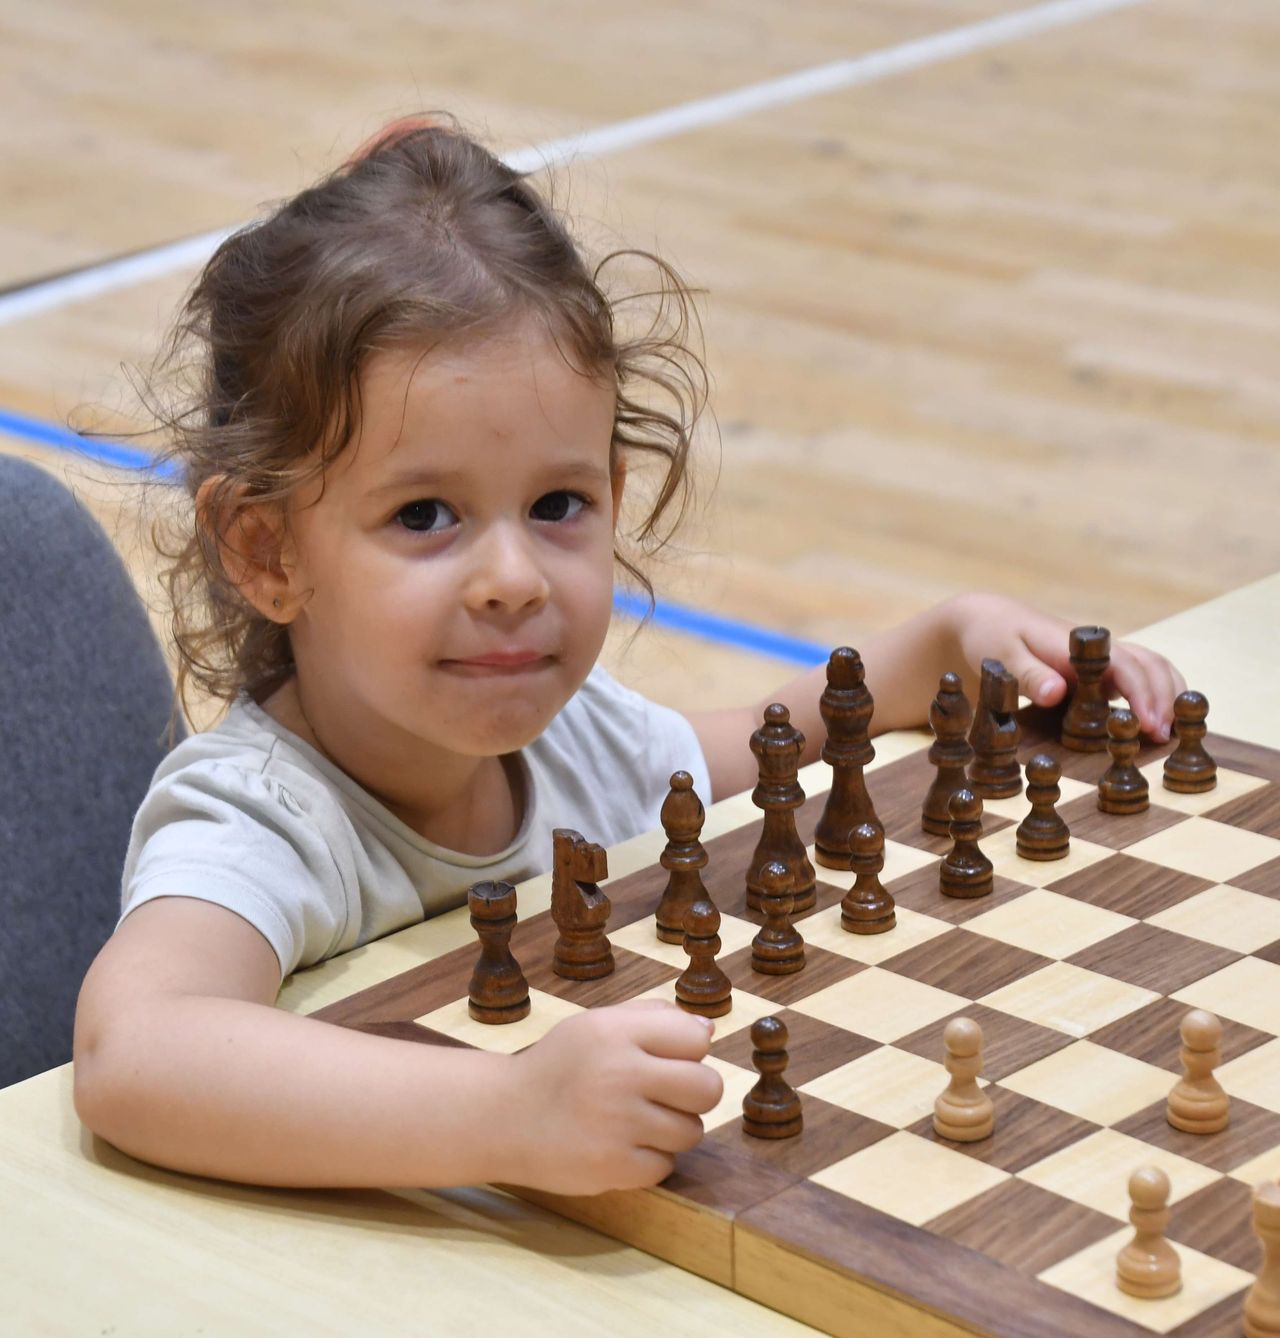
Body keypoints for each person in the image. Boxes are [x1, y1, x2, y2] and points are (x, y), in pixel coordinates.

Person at [73, 117, 1185, 1197]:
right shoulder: (260, 818)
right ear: (266, 551)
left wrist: (946, 645)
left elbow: (779, 746)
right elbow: (136, 1055)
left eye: (558, 503)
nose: (513, 578)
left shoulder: (578, 740)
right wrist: (506, 1114)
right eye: (423, 516)